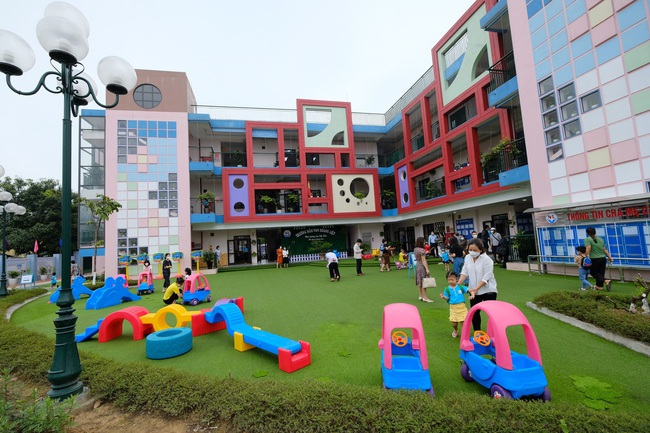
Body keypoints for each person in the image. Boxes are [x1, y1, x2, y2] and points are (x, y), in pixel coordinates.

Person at [457, 238, 498, 331]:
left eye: (475, 250)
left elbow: (486, 277)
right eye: (470, 250)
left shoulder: (487, 260)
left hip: (488, 290)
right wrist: (458, 283)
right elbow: (464, 272)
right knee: (474, 312)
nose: (472, 252)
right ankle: (477, 332)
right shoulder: (467, 258)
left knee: (491, 313)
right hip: (473, 290)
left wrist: (476, 288)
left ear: (481, 249)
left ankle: (494, 331)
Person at [439, 271, 473, 338]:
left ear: (457, 279)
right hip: (453, 307)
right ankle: (455, 330)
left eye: (452, 279)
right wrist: (443, 297)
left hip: (462, 307)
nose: (451, 281)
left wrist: (472, 294)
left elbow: (469, 290)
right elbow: (447, 298)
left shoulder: (460, 287)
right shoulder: (447, 289)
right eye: (449, 280)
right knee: (454, 323)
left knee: (463, 322)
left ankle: (464, 334)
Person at [584, 227, 613, 291]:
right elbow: (604, 249)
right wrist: (610, 257)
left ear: (587, 233)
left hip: (595, 259)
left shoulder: (588, 239)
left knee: (592, 272)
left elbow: (588, 248)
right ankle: (599, 286)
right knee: (600, 273)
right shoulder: (600, 239)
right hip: (603, 258)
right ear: (595, 232)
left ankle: (606, 280)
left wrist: (584, 255)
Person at [414, 236, 434, 302]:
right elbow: (423, 260)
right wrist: (427, 269)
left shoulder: (416, 249)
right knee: (424, 281)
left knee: (419, 280)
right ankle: (425, 297)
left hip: (417, 265)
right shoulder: (422, 250)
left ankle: (421, 296)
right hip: (422, 266)